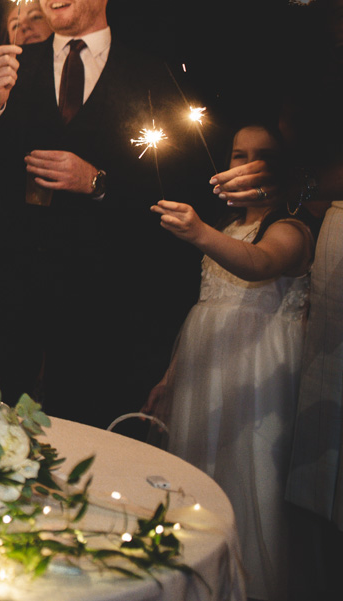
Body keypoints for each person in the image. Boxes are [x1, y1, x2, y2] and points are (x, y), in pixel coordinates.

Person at [0, 0, 205, 427]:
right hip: (7, 295)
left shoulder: (149, 76)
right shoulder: (13, 65)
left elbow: (174, 184)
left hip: (101, 299)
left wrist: (98, 182)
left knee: (86, 439)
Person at [145, 124, 313, 601]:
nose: (248, 164)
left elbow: (260, 264)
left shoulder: (291, 229)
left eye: (262, 156)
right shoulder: (227, 227)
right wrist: (170, 378)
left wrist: (198, 232)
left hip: (257, 373)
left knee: (249, 479)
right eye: (239, 154)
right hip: (205, 370)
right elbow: (204, 307)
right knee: (199, 471)